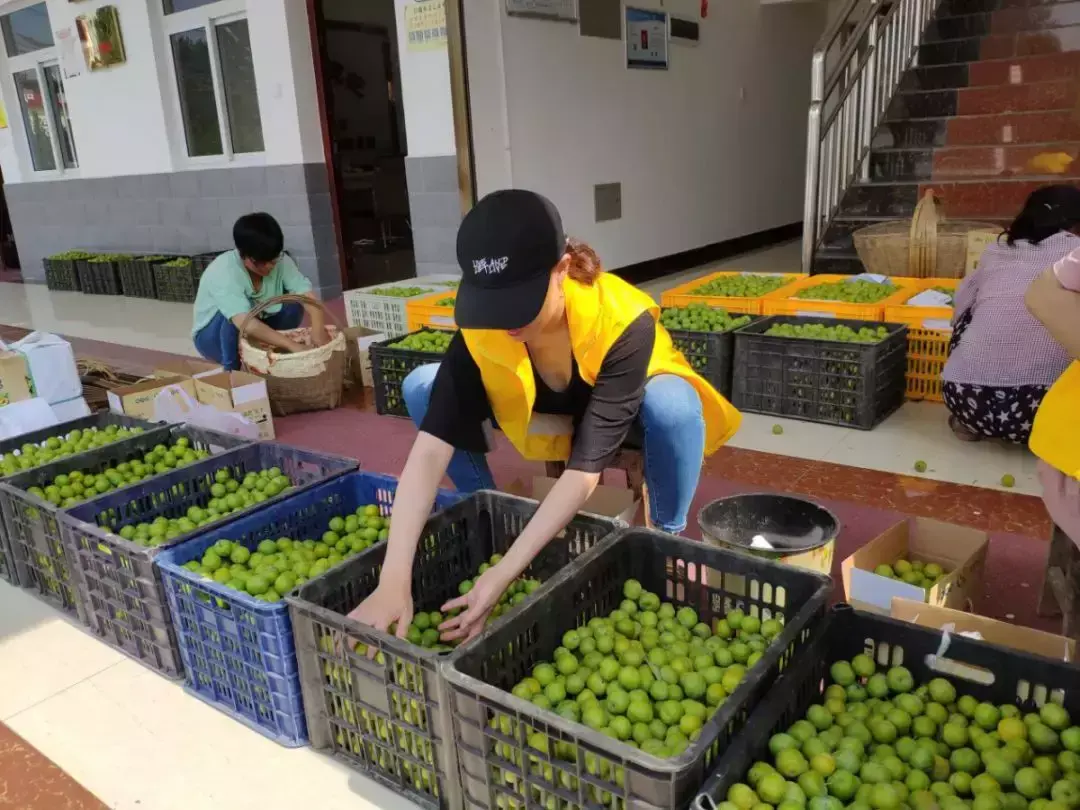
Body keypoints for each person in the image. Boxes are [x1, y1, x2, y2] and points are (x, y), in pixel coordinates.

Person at [348, 189, 740, 644]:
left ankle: (669, 539)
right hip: (535, 404)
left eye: (521, 301)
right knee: (422, 384)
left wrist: (502, 578)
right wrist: (394, 579)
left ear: (561, 270)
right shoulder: (486, 322)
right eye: (495, 304)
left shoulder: (620, 318)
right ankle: (489, 511)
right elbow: (430, 450)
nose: (506, 322)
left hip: (619, 409)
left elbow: (584, 473)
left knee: (674, 404)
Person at [940, 185, 1080, 444]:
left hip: (966, 398)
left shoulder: (997, 251)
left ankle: (969, 426)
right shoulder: (1074, 254)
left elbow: (959, 307)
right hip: (1046, 410)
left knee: (970, 313)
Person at [192, 212, 328, 370]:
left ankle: (274, 354)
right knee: (231, 316)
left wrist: (318, 328)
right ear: (244, 256)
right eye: (261, 263)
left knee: (293, 304)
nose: (269, 267)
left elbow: (306, 294)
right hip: (213, 337)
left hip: (258, 326)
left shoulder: (281, 261)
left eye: (273, 260)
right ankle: (232, 372)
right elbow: (245, 322)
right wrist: (292, 345)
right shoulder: (224, 270)